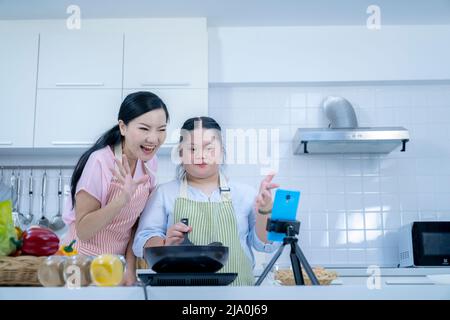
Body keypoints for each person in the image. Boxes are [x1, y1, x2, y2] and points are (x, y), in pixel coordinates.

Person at [133, 116, 279, 285]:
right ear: (180, 153)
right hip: (179, 295)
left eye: (209, 148)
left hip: (236, 297)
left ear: (222, 152)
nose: (201, 155)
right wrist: (165, 243)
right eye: (192, 149)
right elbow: (141, 241)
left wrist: (265, 211)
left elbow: (265, 245)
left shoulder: (245, 194)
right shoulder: (164, 193)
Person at [62, 91, 169, 285]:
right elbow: (83, 230)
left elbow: (135, 223)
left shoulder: (150, 165)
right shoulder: (100, 162)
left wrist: (130, 267)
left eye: (161, 129)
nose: (154, 139)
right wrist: (122, 200)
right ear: (123, 127)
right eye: (144, 128)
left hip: (115, 266)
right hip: (82, 264)